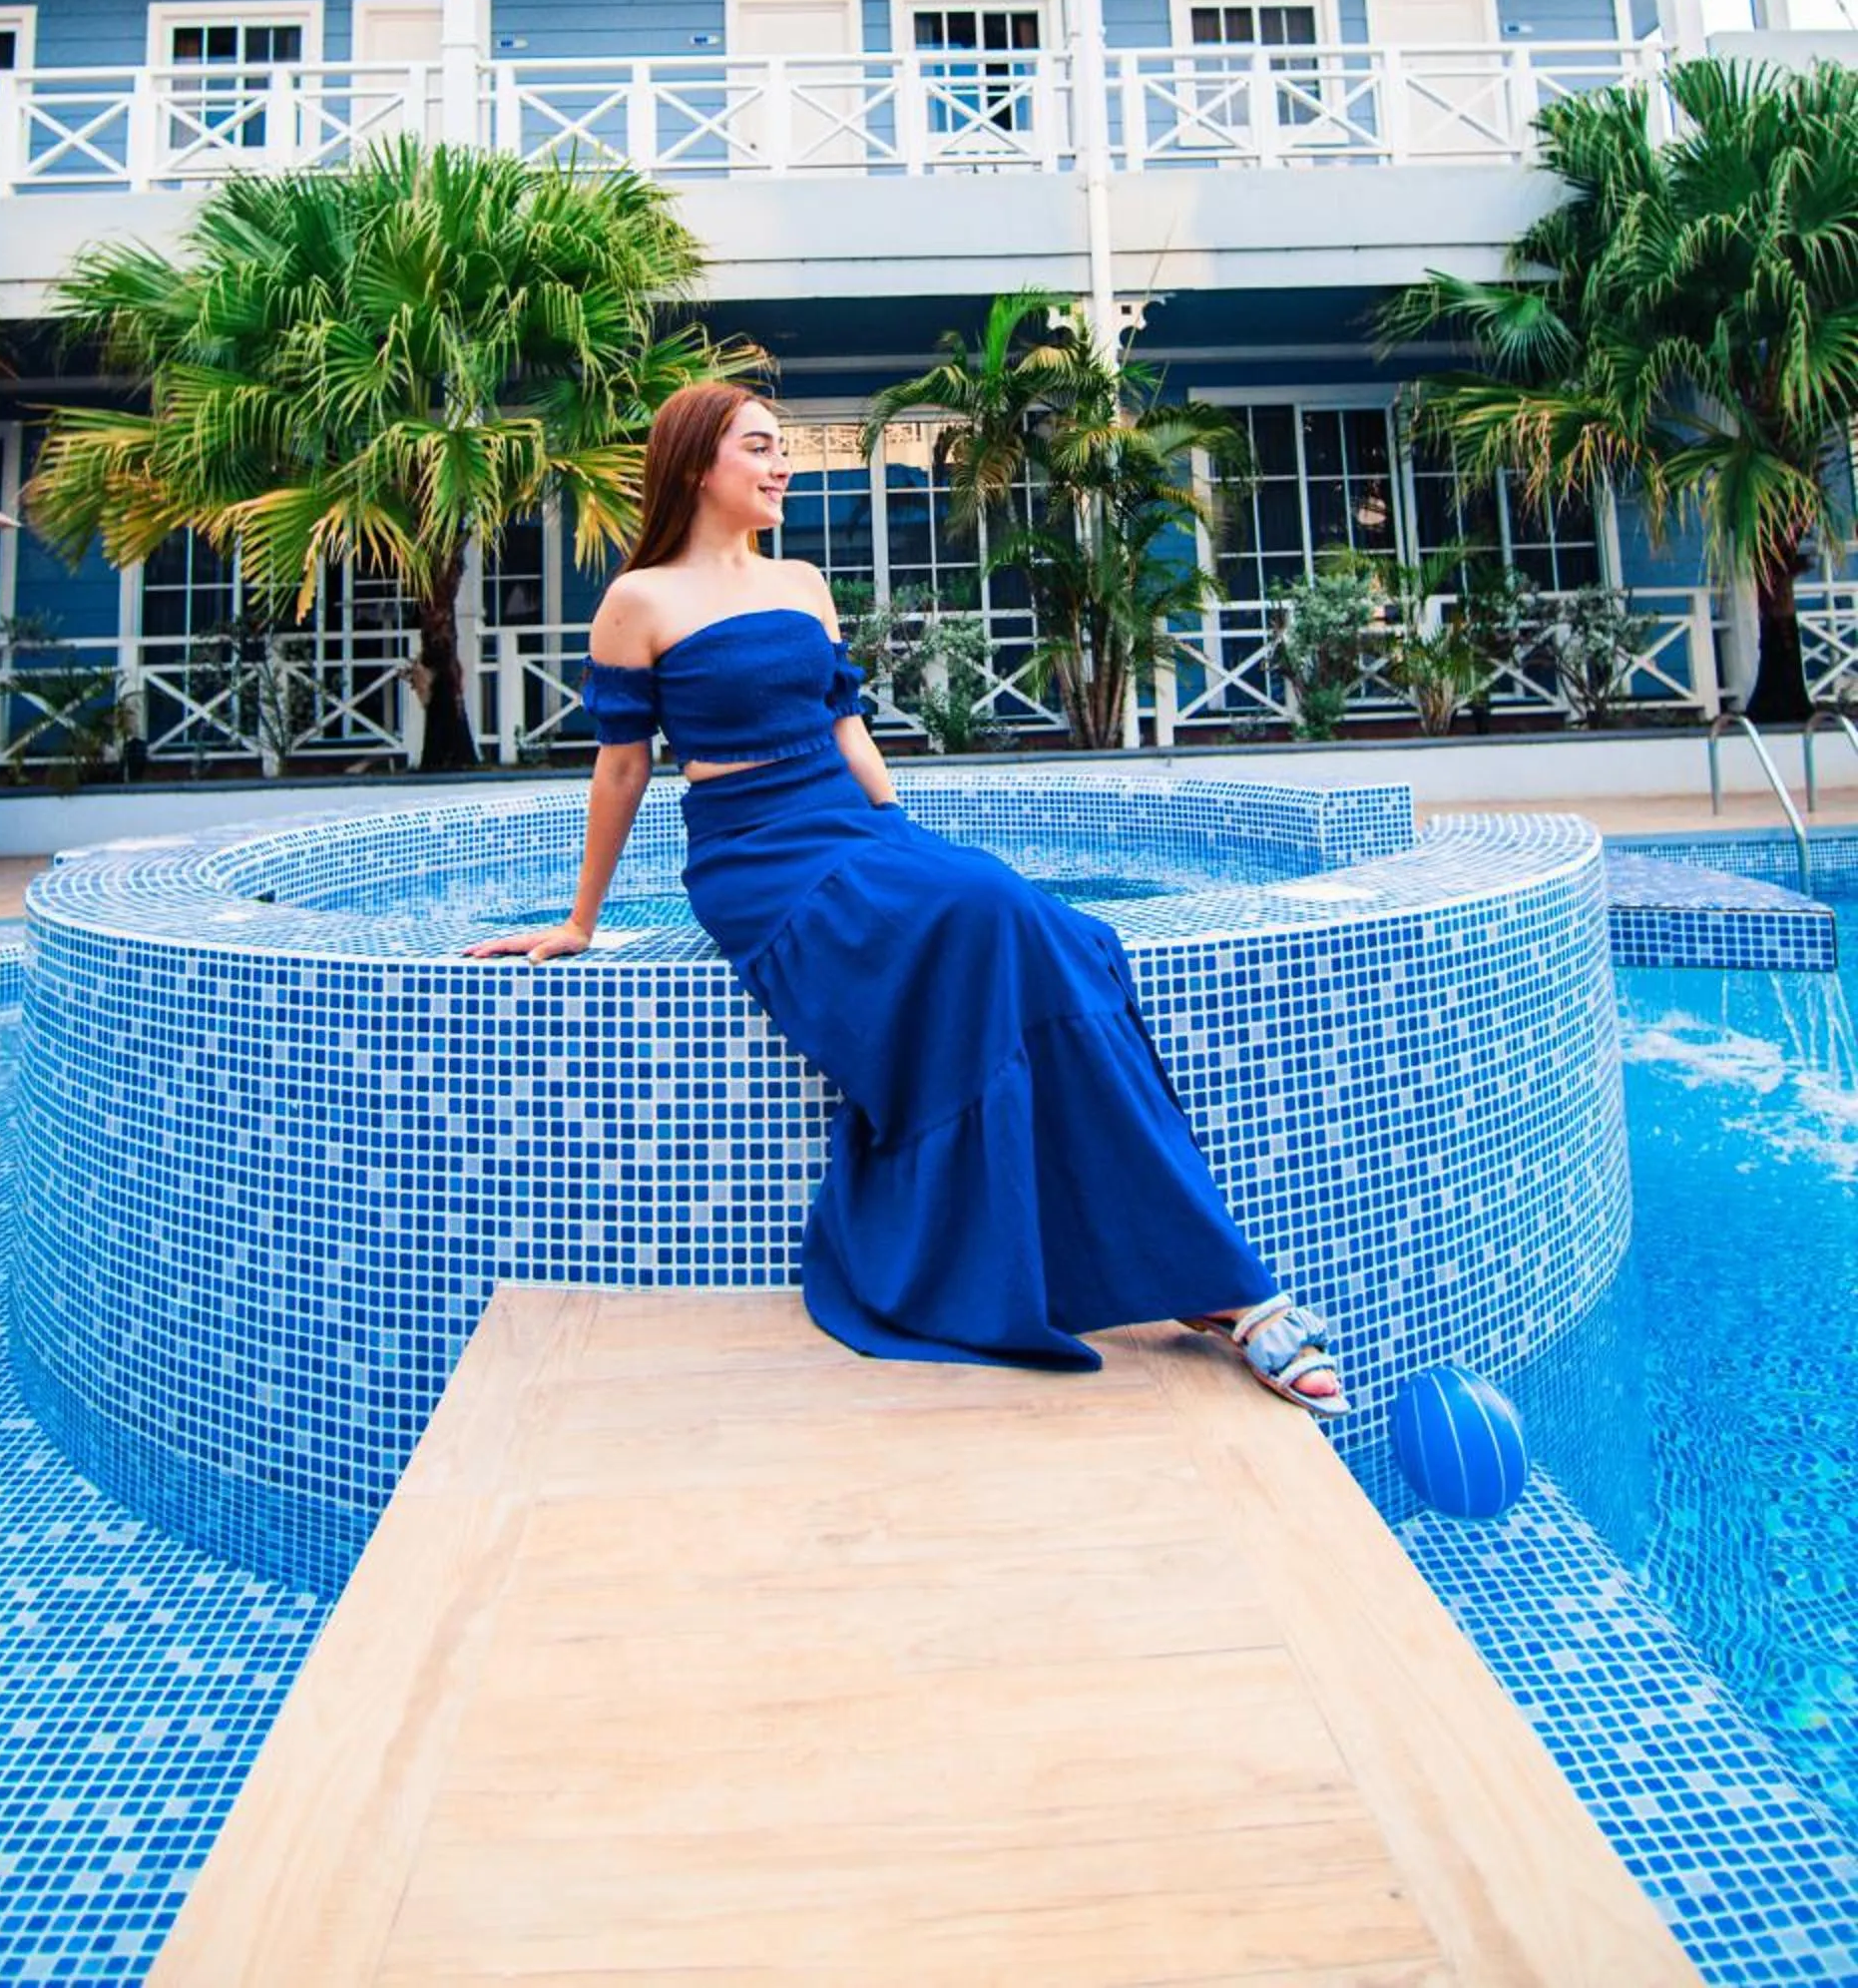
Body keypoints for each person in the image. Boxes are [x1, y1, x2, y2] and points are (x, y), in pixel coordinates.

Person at [467, 381, 1346, 1411]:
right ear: (697, 462)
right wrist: (582, 920)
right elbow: (620, 769)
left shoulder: (799, 582)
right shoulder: (639, 601)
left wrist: (904, 835)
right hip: (752, 855)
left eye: (781, 446)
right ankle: (1220, 1292)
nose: (781, 463)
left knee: (1048, 930)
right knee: (996, 919)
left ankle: (1208, 1284)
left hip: (845, 823)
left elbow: (846, 729)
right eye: (759, 447)